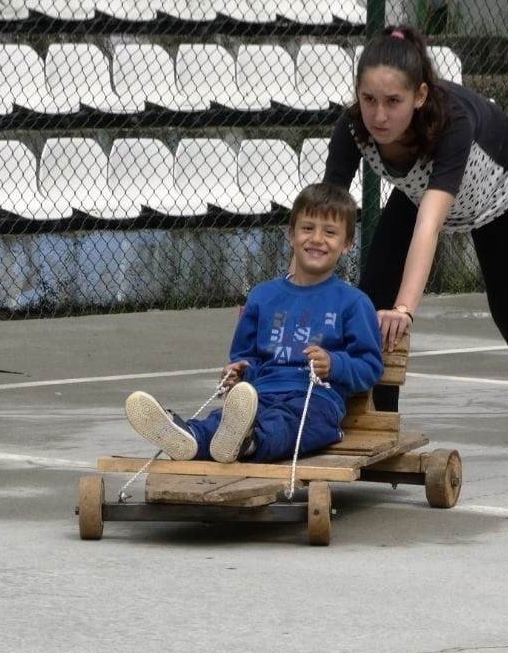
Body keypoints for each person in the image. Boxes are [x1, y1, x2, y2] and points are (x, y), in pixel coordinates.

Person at [323, 24, 508, 464]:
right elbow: (324, 214)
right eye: (369, 100)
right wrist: (297, 288)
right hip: (417, 192)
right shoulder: (353, 128)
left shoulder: (452, 124)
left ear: (420, 96)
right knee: (370, 304)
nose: (380, 116)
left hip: (498, 199)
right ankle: (379, 426)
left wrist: (406, 309)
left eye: (394, 102)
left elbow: (429, 226)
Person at [124, 183, 384, 463]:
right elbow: (247, 357)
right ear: (291, 235)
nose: (317, 239)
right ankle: (187, 437)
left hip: (316, 400)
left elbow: (370, 366)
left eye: (330, 232)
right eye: (307, 228)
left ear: (347, 244)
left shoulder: (353, 302)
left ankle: (248, 443)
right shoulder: (263, 296)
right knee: (222, 419)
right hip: (260, 395)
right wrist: (238, 373)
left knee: (287, 425)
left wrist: (334, 364)